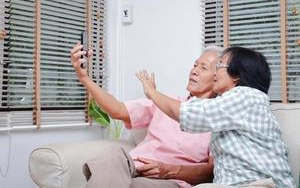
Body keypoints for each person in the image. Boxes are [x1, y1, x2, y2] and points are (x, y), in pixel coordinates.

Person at [136, 46, 296, 188]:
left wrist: (152, 93)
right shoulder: (226, 107)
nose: (215, 73)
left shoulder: (247, 97)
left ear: (236, 75)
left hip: (262, 184)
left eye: (219, 66)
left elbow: (189, 114)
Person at [70, 43, 223, 188]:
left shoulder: (217, 120)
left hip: (168, 180)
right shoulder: (166, 103)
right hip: (131, 168)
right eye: (195, 65)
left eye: (204, 68)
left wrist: (168, 170)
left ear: (218, 78)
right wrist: (84, 78)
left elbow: (211, 171)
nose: (194, 70)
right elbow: (117, 110)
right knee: (113, 154)